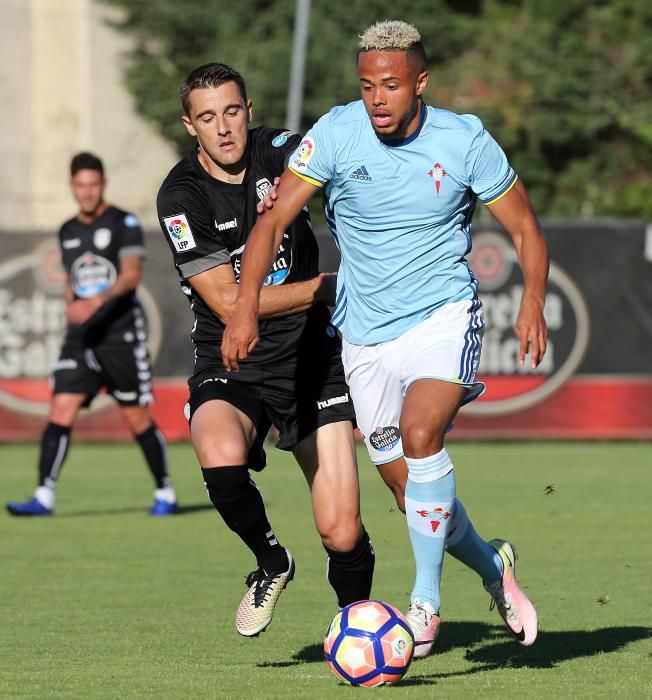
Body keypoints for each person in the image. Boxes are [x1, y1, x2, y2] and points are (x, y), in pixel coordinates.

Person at [222, 20, 549, 657]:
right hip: (364, 336)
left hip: (441, 316)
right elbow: (273, 220)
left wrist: (532, 298)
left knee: (424, 435)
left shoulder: (464, 140)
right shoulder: (337, 133)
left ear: (420, 83)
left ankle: (423, 603)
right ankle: (493, 564)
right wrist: (245, 311)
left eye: (392, 85)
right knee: (409, 492)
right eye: (368, 85)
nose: (377, 98)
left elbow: (526, 228)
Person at [156, 63, 375, 638]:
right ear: (190, 126)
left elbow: (320, 150)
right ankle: (271, 560)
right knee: (219, 451)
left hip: (311, 359)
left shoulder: (278, 149)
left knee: (342, 532)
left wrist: (304, 182)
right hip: (233, 357)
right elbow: (232, 306)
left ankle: (356, 628)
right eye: (207, 117)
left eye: (232, 112)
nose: (223, 128)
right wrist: (327, 287)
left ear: (249, 111)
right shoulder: (181, 197)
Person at [6, 152, 177, 518]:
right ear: (72, 186)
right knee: (61, 408)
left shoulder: (123, 223)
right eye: (80, 185)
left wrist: (95, 300)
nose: (87, 192)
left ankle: (165, 490)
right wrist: (72, 303)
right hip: (81, 338)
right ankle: (44, 495)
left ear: (103, 185)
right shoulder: (68, 230)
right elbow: (72, 279)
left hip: (120, 337)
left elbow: (130, 274)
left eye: (93, 184)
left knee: (136, 418)